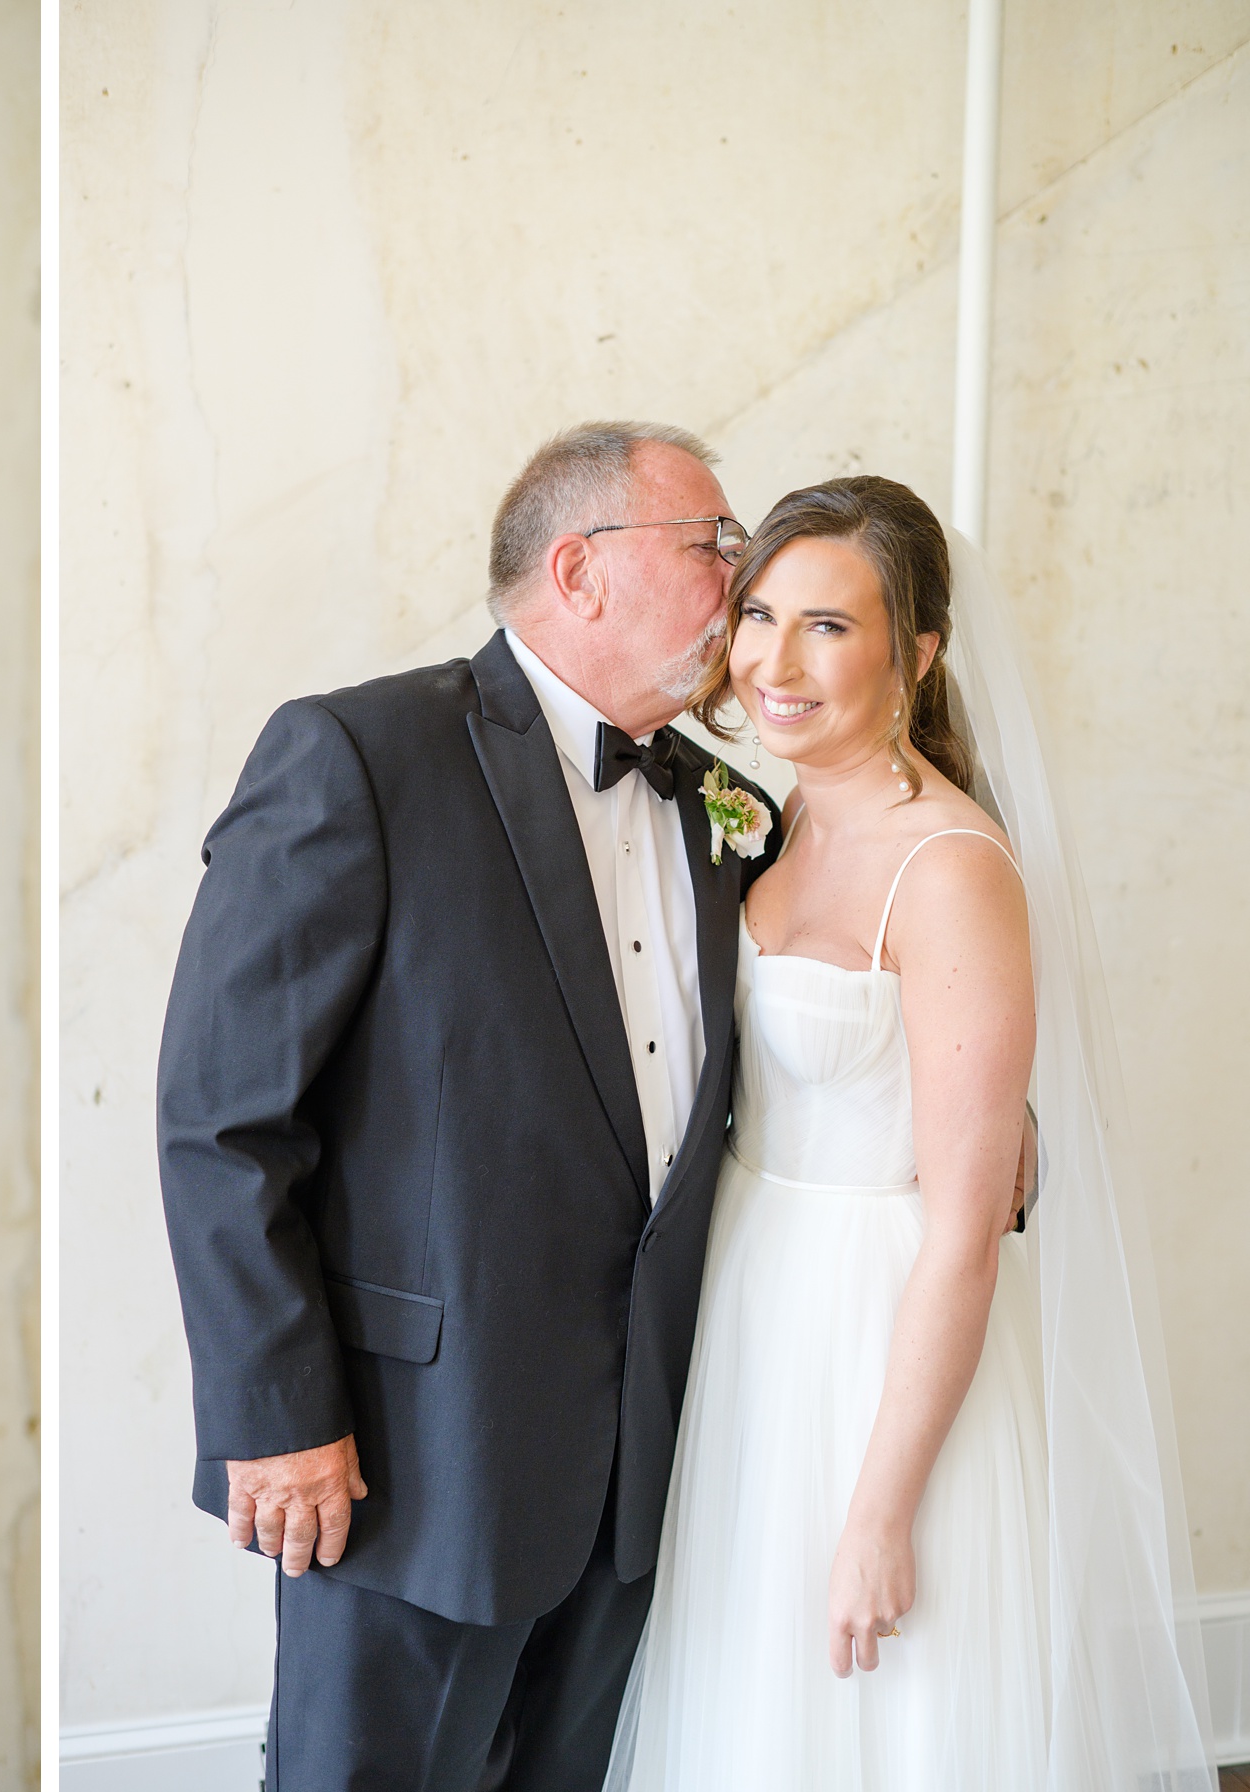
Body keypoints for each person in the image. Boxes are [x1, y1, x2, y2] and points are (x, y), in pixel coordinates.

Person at [158, 422, 778, 1788]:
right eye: (712, 545)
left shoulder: (726, 808)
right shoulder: (360, 755)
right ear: (581, 568)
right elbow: (225, 1118)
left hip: (643, 1471)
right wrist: (275, 1413)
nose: (743, 579)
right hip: (411, 1463)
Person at [607, 478, 1216, 1792]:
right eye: (759, 612)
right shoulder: (770, 825)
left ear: (918, 652)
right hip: (753, 1325)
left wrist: (880, 1511)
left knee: (887, 1715)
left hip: (883, 1345)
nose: (774, 659)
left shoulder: (949, 869)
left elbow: (962, 1230)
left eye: (828, 625)